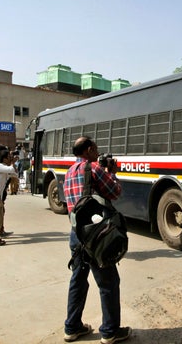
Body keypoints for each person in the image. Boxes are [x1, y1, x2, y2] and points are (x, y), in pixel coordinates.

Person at [62, 136, 131, 343]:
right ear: (90, 149)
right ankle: (110, 332)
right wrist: (112, 173)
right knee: (108, 282)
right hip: (96, 236)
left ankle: (72, 328)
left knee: (78, 280)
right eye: (96, 150)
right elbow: (115, 192)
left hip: (76, 234)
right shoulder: (93, 169)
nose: (97, 154)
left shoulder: (69, 173)